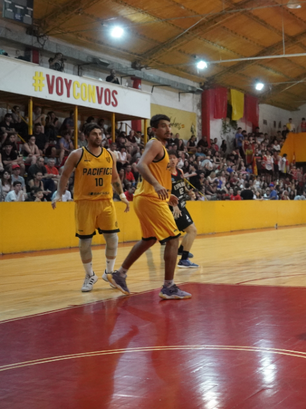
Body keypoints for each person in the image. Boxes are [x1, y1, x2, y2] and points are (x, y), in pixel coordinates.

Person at [107, 114, 190, 300]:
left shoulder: (161, 148)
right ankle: (169, 287)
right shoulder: (155, 144)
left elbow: (154, 172)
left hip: (145, 198)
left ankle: (120, 274)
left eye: (169, 126)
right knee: (174, 239)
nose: (168, 129)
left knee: (149, 239)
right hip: (150, 198)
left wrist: (167, 194)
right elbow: (141, 166)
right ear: (154, 129)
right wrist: (158, 186)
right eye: (163, 126)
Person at [53, 123, 130, 292]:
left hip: (106, 202)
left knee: (113, 239)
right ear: (86, 136)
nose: (98, 137)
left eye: (100, 133)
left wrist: (122, 196)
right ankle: (90, 275)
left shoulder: (110, 154)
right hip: (85, 203)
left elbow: (115, 178)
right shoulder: (77, 154)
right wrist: (59, 194)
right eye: (94, 134)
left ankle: (109, 273)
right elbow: (65, 174)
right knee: (85, 242)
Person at [168, 150, 199, 269]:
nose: (172, 160)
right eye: (169, 158)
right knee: (192, 231)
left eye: (174, 157)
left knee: (191, 230)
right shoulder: (166, 174)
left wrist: (188, 192)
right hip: (174, 208)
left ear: (177, 160)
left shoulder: (180, 171)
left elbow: (183, 186)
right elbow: (166, 192)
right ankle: (184, 259)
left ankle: (181, 250)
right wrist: (174, 206)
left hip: (182, 205)